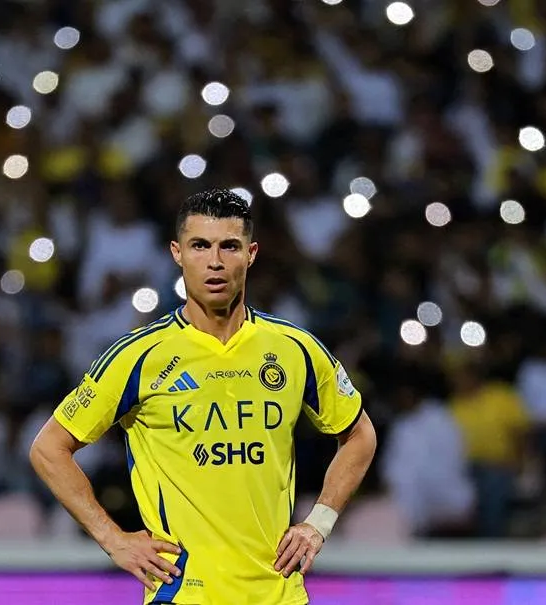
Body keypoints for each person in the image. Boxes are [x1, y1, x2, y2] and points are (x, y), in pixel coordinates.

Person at [29, 188, 377, 605]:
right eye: (200, 246)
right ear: (177, 253)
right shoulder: (138, 357)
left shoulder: (295, 349)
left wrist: (318, 523)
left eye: (229, 246)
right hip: (183, 594)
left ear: (251, 254)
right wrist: (112, 539)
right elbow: (48, 448)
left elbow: (359, 434)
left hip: (280, 594)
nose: (215, 261)